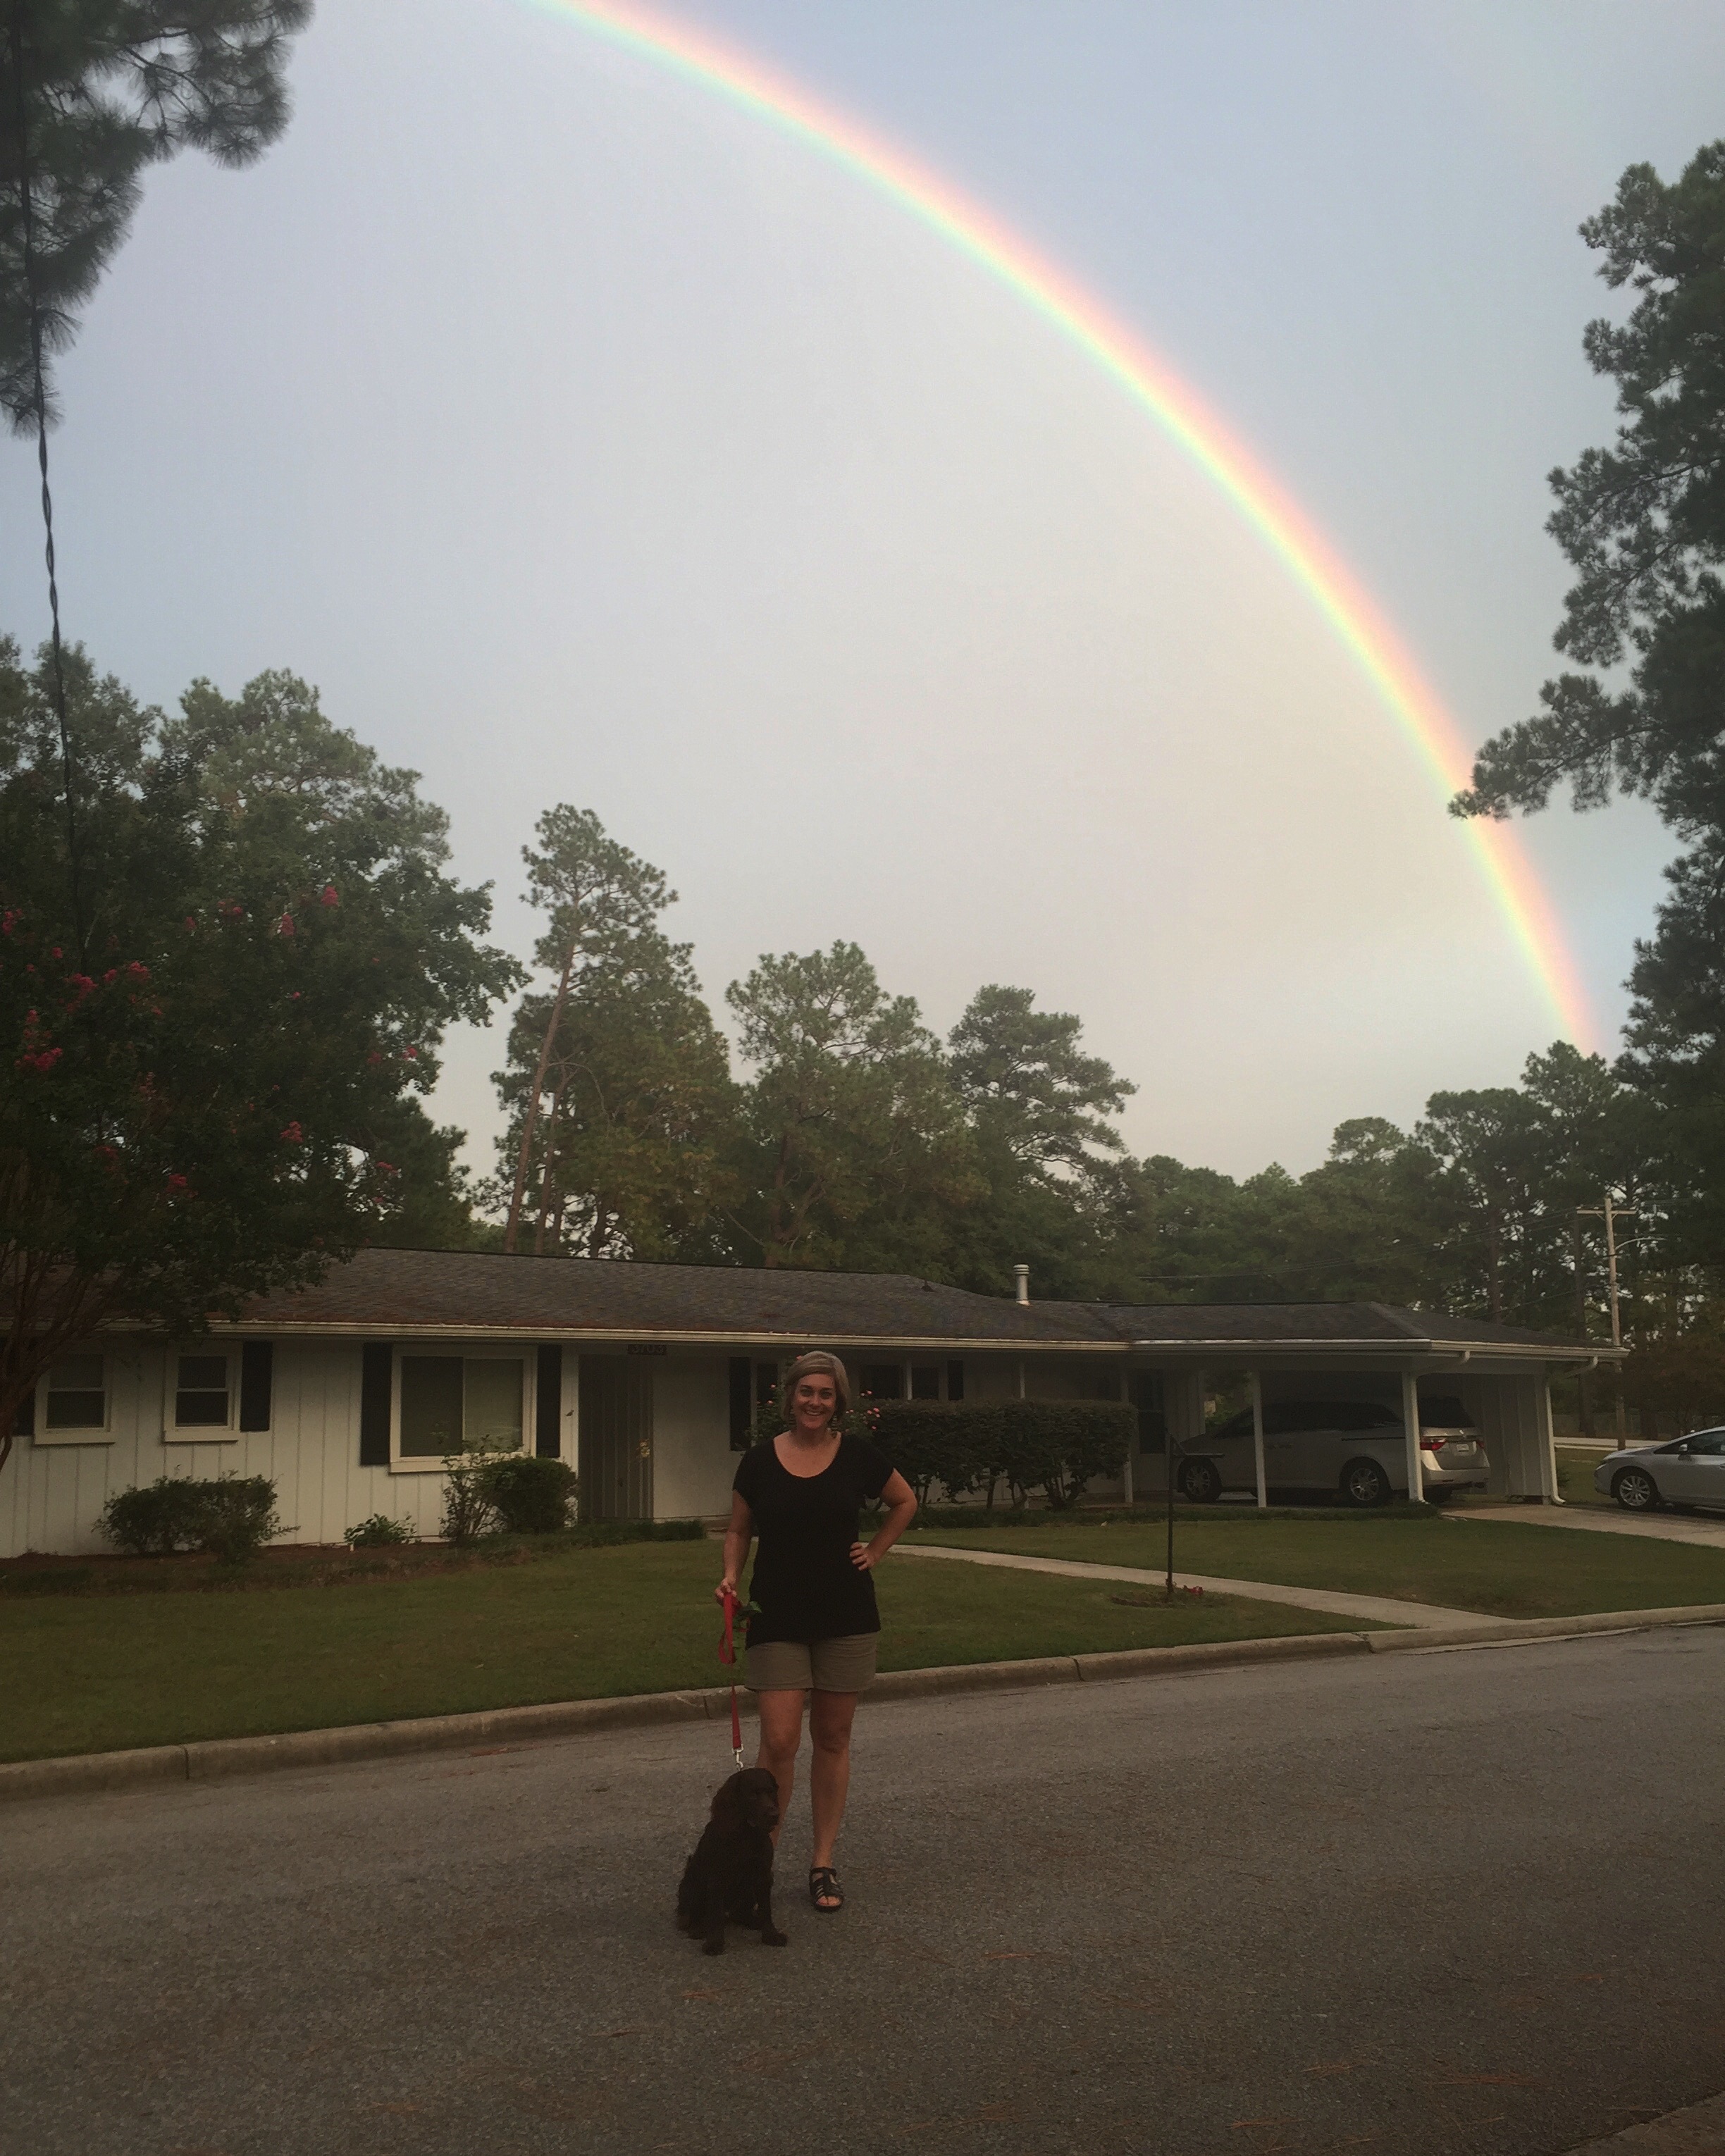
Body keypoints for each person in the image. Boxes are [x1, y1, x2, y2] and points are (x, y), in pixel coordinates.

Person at [717, 1350, 917, 1914]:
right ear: (790, 1396)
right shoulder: (759, 1461)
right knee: (779, 1741)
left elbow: (904, 1501)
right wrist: (731, 1575)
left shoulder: (857, 1456)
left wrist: (875, 1551)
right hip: (777, 1614)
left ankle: (822, 1863)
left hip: (845, 1615)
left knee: (832, 1738)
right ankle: (759, 1865)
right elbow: (738, 1530)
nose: (815, 1401)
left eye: (826, 1394)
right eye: (806, 1391)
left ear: (839, 1402)